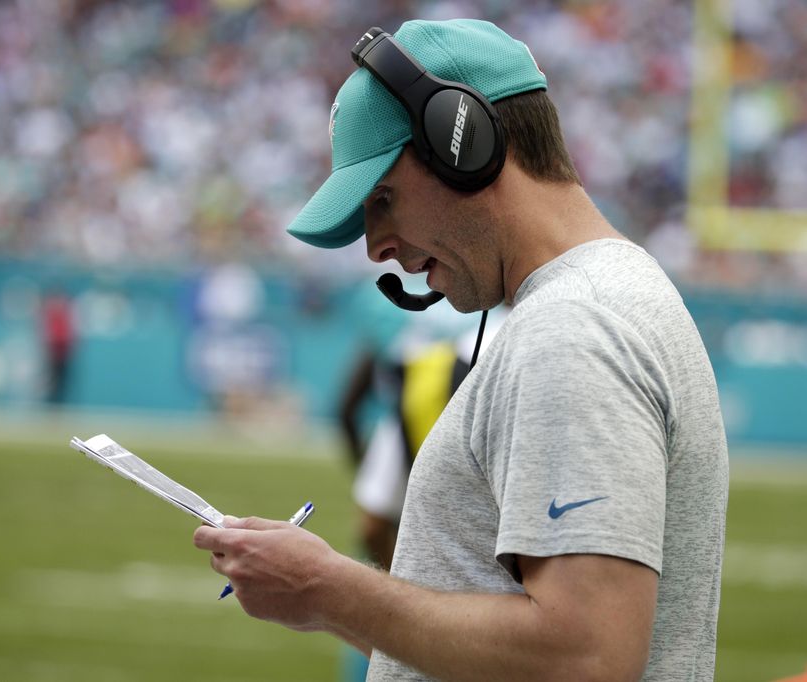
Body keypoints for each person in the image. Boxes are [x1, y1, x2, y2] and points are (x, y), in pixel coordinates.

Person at [193, 18, 729, 681]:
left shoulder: (572, 330)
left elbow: (586, 656)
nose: (377, 247)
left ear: (464, 143)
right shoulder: (600, 299)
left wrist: (326, 588)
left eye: (383, 199)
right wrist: (325, 602)